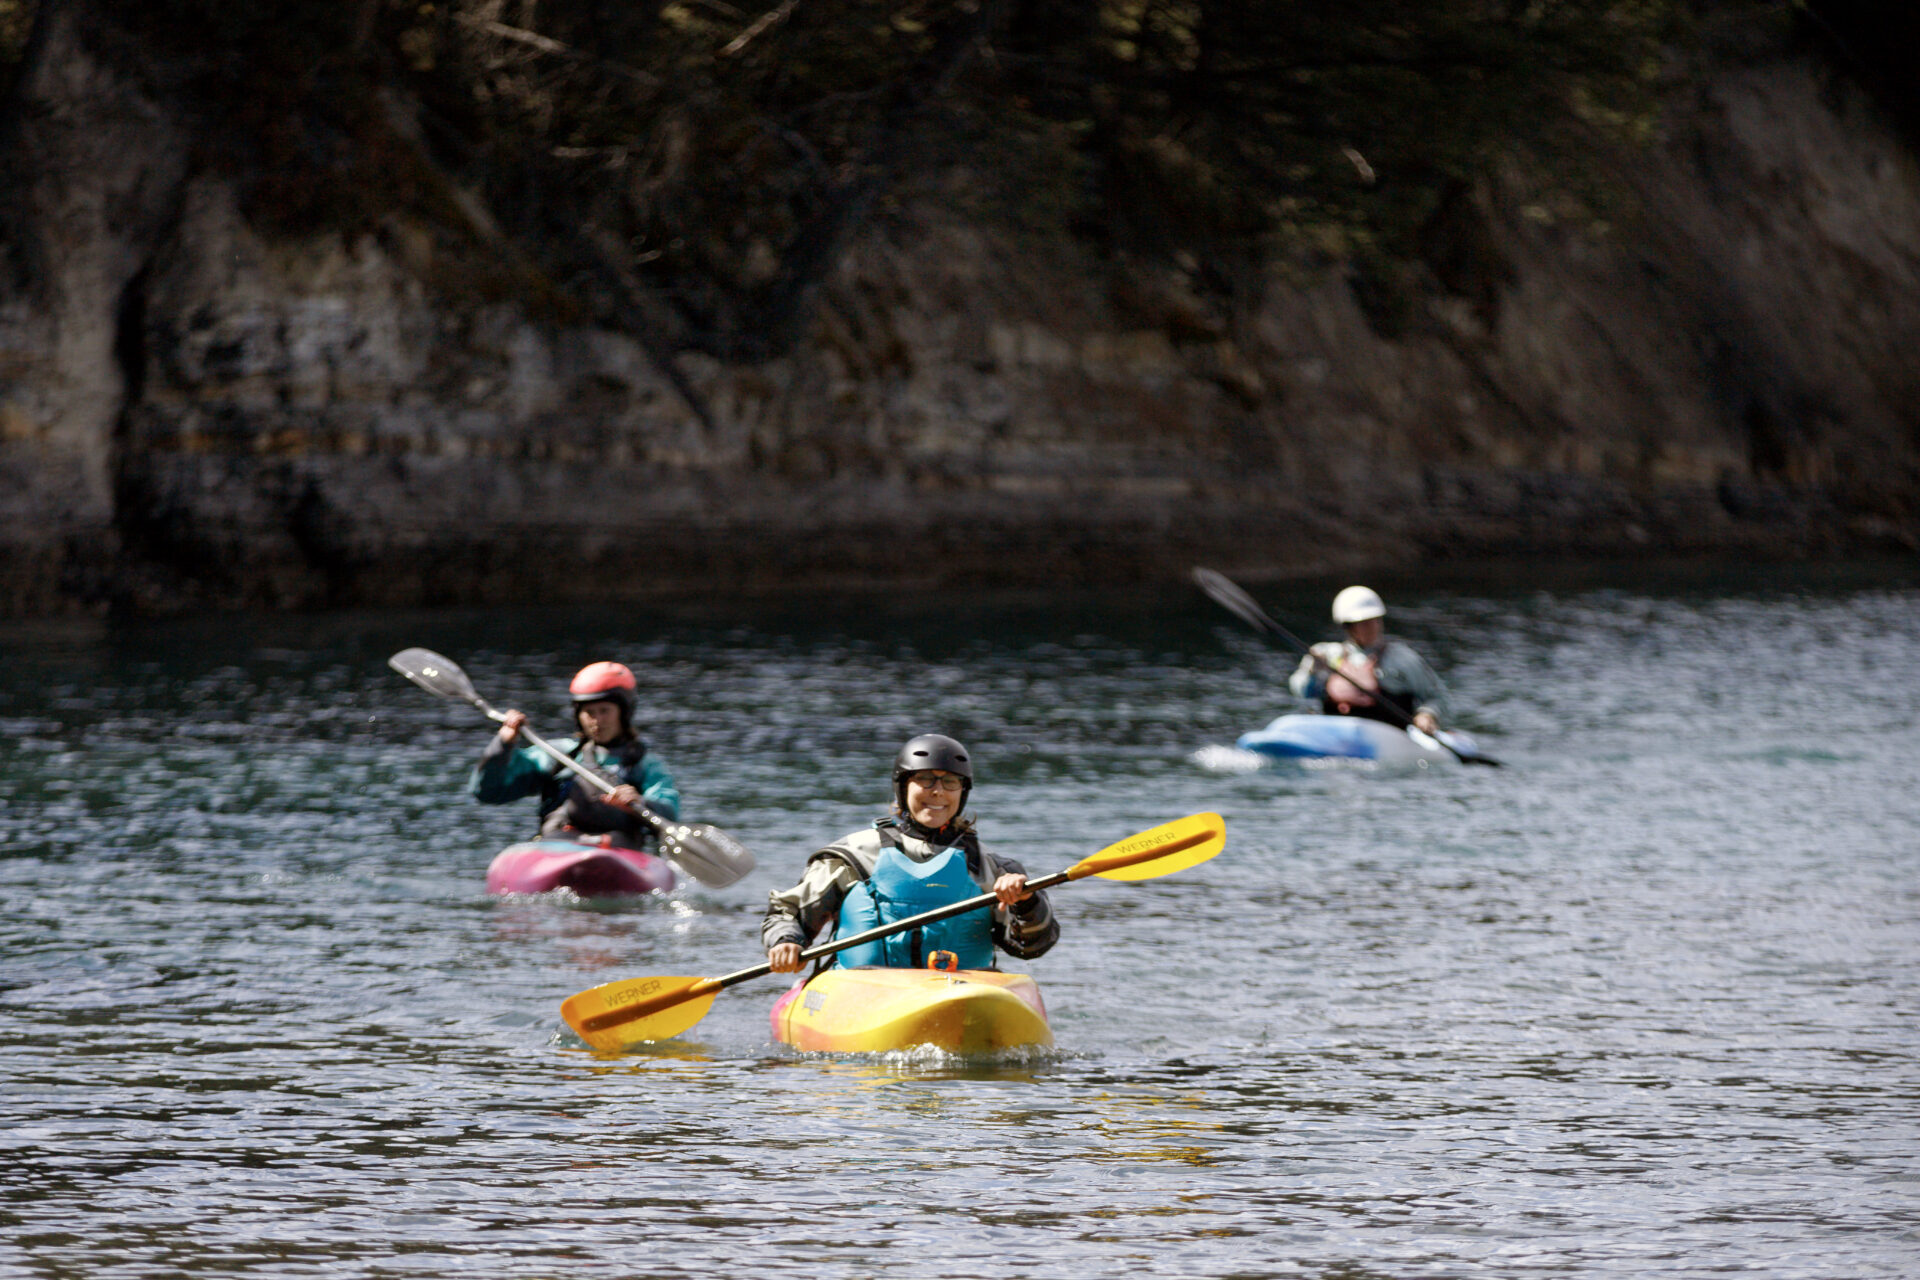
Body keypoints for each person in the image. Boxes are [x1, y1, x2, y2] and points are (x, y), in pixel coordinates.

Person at [762, 734, 1057, 974]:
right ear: (903, 787)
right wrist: (786, 942)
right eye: (925, 779)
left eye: (950, 782)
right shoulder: (854, 855)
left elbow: (1031, 947)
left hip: (963, 995)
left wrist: (1026, 903)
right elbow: (788, 913)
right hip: (862, 994)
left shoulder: (992, 868)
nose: (938, 792)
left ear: (962, 791)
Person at [469, 661, 680, 847]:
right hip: (559, 842)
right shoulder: (556, 755)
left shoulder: (643, 763)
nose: (596, 720)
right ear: (578, 715)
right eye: (589, 712)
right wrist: (503, 745)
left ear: (624, 713)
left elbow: (670, 815)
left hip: (619, 847)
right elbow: (487, 791)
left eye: (604, 710)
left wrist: (639, 803)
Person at [1288, 586, 1451, 735]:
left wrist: (1427, 714)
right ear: (1349, 626)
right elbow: (1302, 691)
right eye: (1364, 623)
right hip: (1337, 735)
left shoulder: (1402, 658)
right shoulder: (1326, 654)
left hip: (1391, 736)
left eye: (1376, 620)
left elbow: (1437, 696)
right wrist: (1313, 672)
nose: (1373, 626)